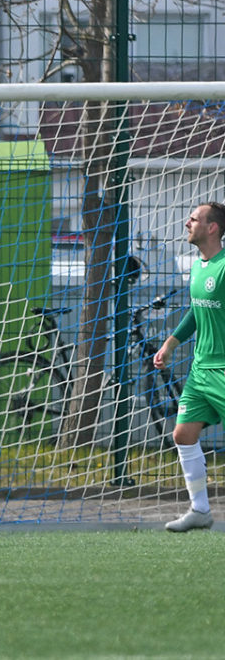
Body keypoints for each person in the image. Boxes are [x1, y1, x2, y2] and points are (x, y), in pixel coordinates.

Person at [154, 201, 225, 532]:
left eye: (194, 219)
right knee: (183, 434)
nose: (187, 223)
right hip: (200, 370)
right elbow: (197, 311)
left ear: (212, 228)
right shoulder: (199, 267)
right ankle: (200, 509)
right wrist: (170, 343)